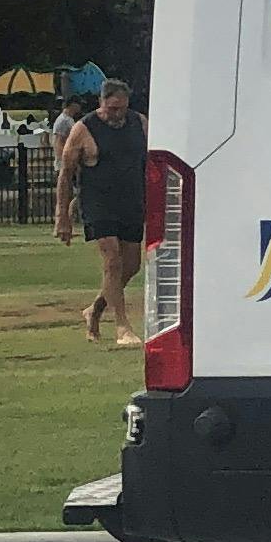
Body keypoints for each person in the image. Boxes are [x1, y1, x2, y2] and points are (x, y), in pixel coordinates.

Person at [55, 76, 152, 344]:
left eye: (120, 108)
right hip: (98, 203)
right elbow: (66, 174)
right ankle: (122, 327)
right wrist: (62, 216)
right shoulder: (83, 129)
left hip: (131, 202)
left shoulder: (140, 124)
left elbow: (153, 163)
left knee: (131, 266)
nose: (116, 114)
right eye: (111, 108)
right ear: (101, 103)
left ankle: (95, 309)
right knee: (112, 261)